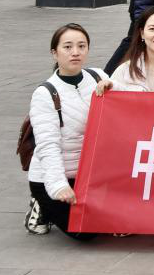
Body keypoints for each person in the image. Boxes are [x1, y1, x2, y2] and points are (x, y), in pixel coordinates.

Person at [25, 23, 105, 238]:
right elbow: (47, 145)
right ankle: (41, 203)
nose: (75, 52)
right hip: (56, 176)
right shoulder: (45, 93)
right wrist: (57, 185)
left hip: (90, 175)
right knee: (87, 234)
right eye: (67, 47)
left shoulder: (98, 77)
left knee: (111, 223)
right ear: (55, 53)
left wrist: (114, 86)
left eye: (81, 46)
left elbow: (132, 96)